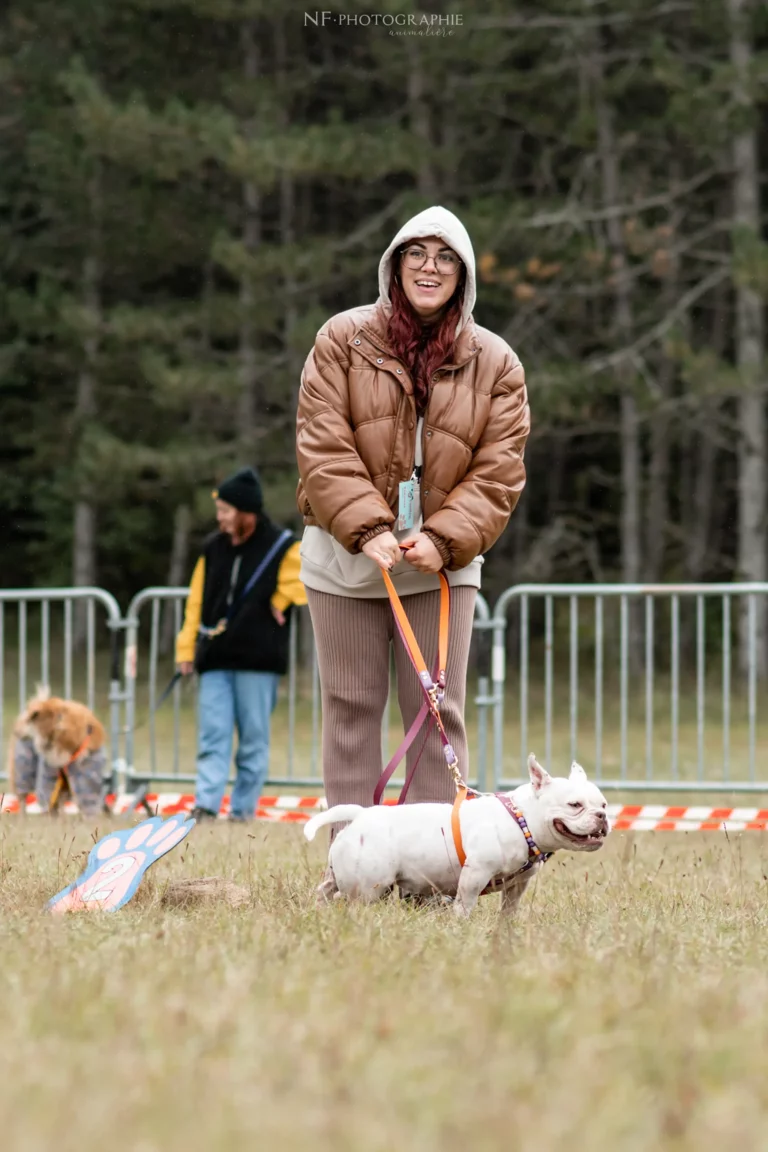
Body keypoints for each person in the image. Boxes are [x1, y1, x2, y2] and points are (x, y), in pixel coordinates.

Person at [296, 205, 530, 858]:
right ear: (394, 265)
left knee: (436, 714)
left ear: (465, 274)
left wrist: (443, 539)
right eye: (417, 254)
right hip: (345, 558)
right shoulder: (341, 339)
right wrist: (366, 525)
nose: (430, 267)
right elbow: (321, 441)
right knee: (349, 710)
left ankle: (431, 868)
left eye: (445, 256)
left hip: (442, 566)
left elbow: (499, 471)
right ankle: (353, 865)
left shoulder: (498, 362)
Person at [175, 467, 307, 821]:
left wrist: (279, 600)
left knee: (252, 741)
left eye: (225, 510)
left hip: (258, 660)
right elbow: (196, 601)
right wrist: (186, 649)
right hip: (215, 657)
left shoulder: (282, 545)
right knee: (212, 737)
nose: (219, 517)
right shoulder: (212, 547)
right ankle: (205, 805)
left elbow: (303, 583)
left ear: (245, 511)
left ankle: (243, 811)